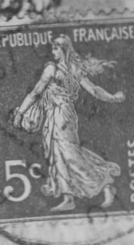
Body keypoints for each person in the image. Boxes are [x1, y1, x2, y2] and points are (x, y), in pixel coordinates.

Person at [11, 33, 125, 212]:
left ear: (63, 49)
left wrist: (112, 98)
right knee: (58, 156)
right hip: (54, 116)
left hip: (62, 116)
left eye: (56, 48)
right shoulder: (65, 69)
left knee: (70, 154)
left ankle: (105, 184)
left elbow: (93, 90)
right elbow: (36, 93)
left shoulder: (58, 70)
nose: (53, 51)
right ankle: (68, 197)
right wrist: (20, 112)